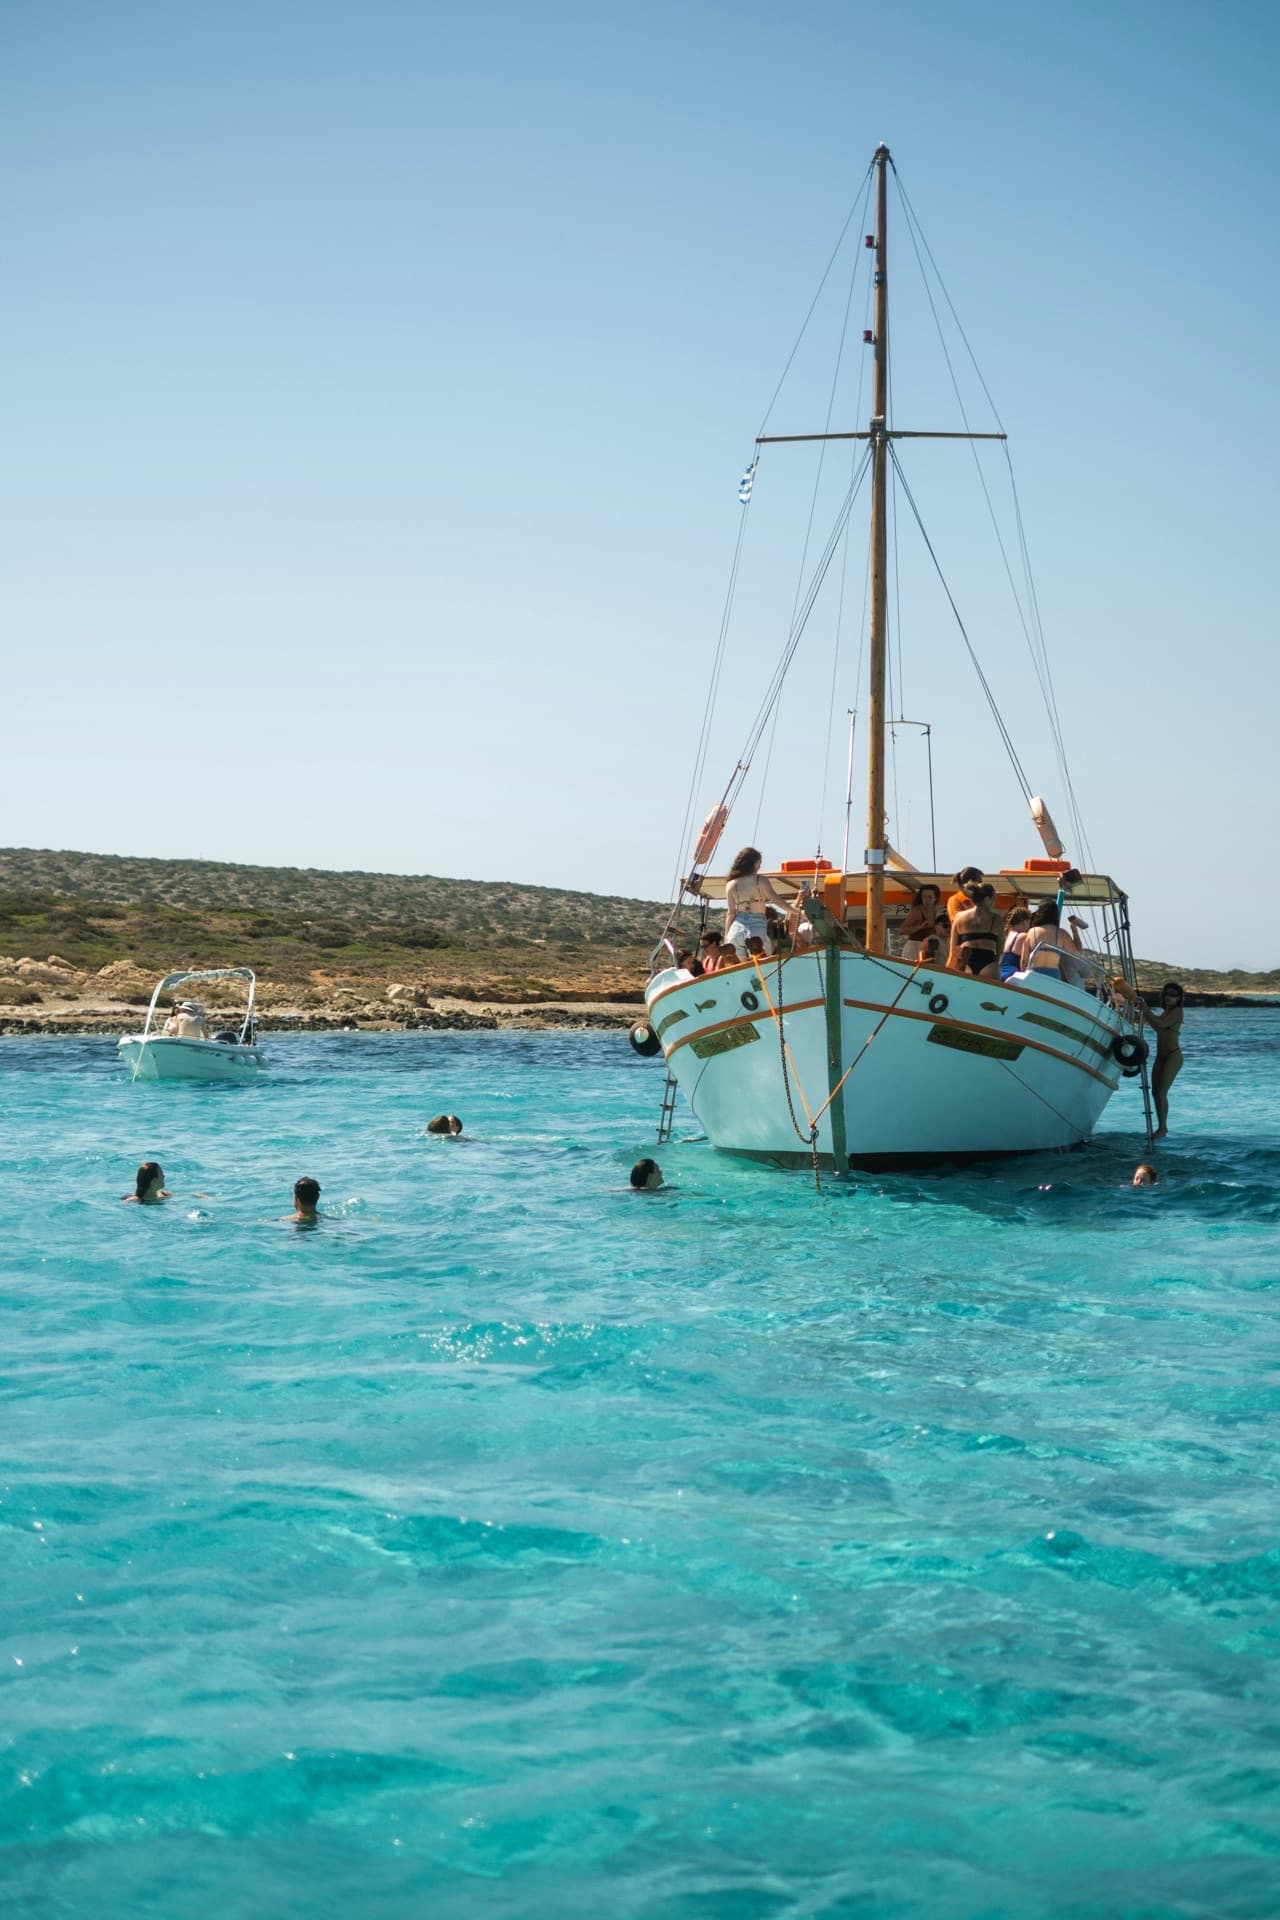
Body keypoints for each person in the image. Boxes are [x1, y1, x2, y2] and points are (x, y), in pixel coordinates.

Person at [723, 848, 791, 956]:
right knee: (765, 957)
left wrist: (726, 937)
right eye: (760, 862)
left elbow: (731, 913)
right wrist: (795, 911)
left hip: (736, 927)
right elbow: (776, 900)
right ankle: (754, 948)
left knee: (742, 965)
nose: (760, 865)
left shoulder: (730, 884)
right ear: (754, 863)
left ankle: (737, 944)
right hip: (756, 925)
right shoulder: (761, 880)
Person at [1145, 981, 1185, 1139]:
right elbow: (1158, 1028)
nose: (1170, 997)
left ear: (1179, 998)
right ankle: (1161, 1126)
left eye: (1174, 995)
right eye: (1167, 994)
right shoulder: (1165, 1013)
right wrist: (1143, 1014)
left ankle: (1163, 1128)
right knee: (1155, 1092)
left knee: (1161, 1092)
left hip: (1173, 1056)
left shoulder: (1178, 1011)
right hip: (1161, 1057)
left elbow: (1161, 1024)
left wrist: (1145, 1010)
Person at [949, 883, 1003, 980]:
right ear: (987, 899)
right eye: (993, 899)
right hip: (988, 962)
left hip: (966, 960)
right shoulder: (997, 919)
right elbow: (1000, 950)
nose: (994, 902)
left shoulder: (959, 917)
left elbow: (953, 949)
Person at [898, 884, 941, 962]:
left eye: (929, 897)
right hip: (914, 946)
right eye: (924, 896)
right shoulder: (917, 911)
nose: (926, 900)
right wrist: (920, 927)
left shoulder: (935, 911)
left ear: (935, 898)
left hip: (928, 948)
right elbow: (902, 930)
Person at [999, 908, 1032, 981]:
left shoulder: (1007, 936)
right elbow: (1025, 961)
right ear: (1025, 921)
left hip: (1000, 972)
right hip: (1013, 974)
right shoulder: (1024, 936)